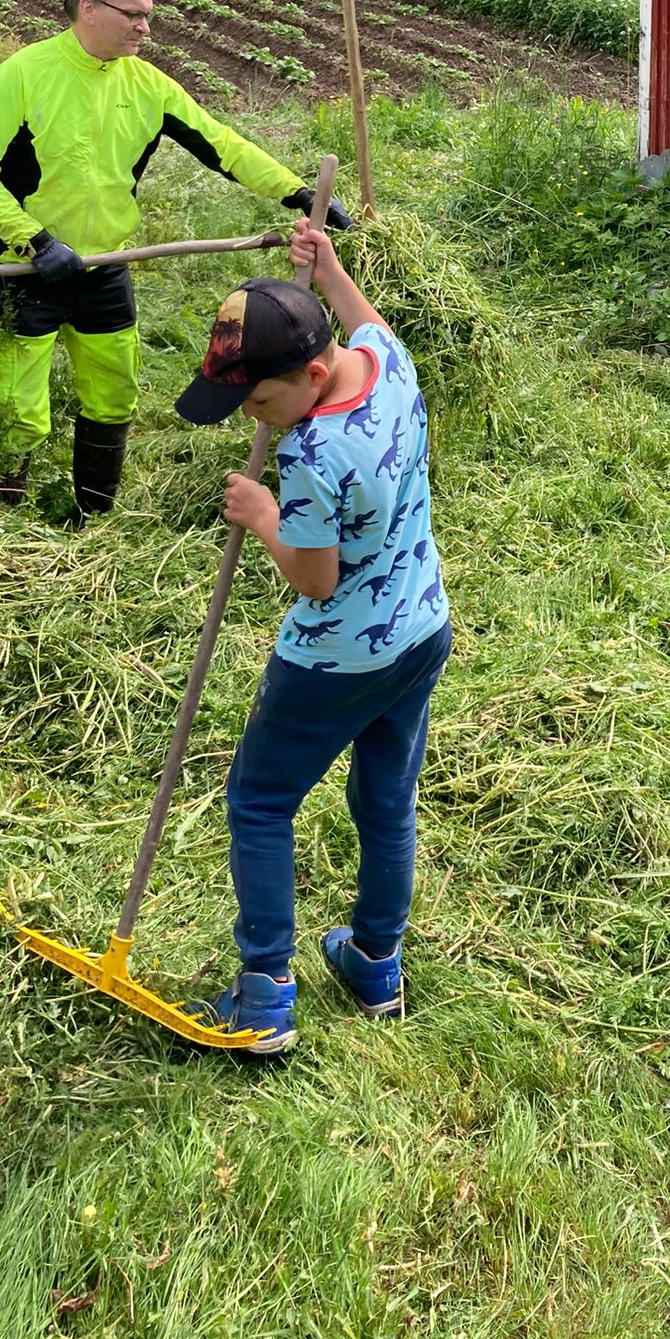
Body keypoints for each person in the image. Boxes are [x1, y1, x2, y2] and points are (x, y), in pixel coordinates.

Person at [172, 220, 451, 1054]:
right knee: (386, 801)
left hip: (334, 659)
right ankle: (374, 964)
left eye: (259, 402)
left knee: (259, 802)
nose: (251, 418)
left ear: (313, 374)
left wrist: (262, 518)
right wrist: (330, 271)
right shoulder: (388, 365)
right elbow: (371, 324)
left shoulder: (313, 455)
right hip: (420, 631)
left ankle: (263, 995)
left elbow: (316, 577)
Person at [0, 0, 350, 517]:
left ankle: (94, 517)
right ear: (88, 9)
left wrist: (298, 193)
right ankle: (1, 519)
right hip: (27, 269)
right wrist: (34, 240)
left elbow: (222, 145)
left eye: (149, 15)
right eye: (132, 14)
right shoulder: (23, 74)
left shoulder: (149, 85)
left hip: (106, 267)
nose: (144, 26)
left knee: (113, 397)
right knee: (19, 409)